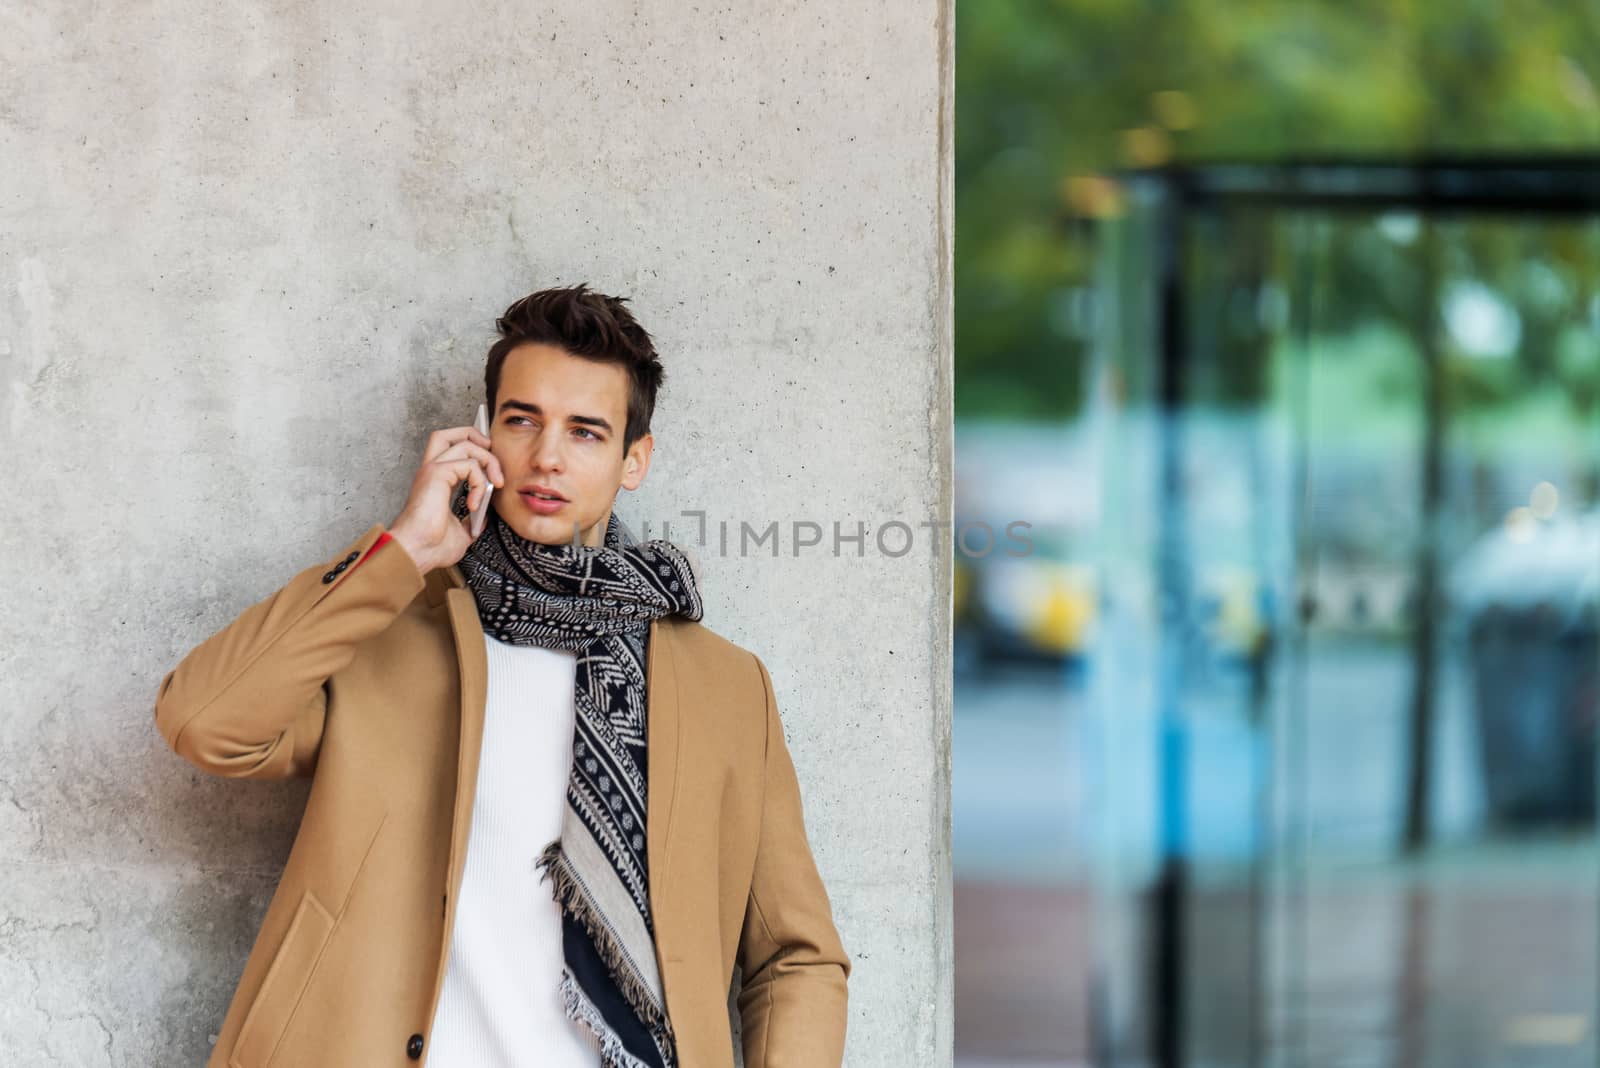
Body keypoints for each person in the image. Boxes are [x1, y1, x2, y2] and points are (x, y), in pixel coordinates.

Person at [153, 284, 851, 1068]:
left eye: (586, 432)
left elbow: (797, 956)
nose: (547, 456)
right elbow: (205, 722)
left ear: (634, 461)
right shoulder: (387, 630)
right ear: (484, 436)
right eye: (523, 420)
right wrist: (404, 552)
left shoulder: (725, 688)